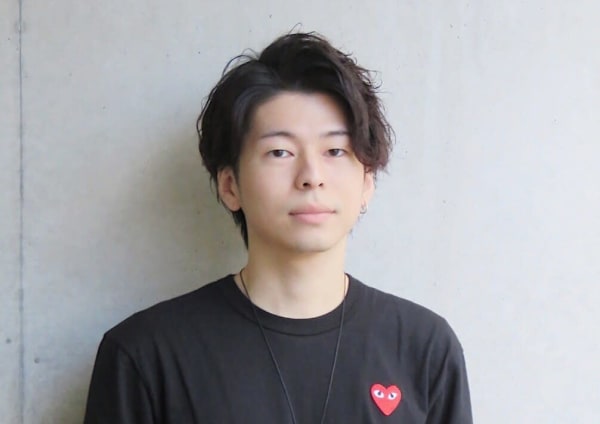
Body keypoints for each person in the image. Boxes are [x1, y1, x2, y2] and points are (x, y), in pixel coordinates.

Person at [84, 32, 472, 423]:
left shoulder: (424, 348)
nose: (311, 176)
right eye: (280, 152)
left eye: (335, 150)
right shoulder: (145, 355)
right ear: (230, 186)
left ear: (367, 182)